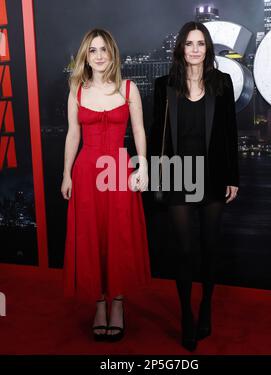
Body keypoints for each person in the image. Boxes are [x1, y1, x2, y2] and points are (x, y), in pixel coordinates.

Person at [150, 21, 239, 351]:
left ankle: (206, 306)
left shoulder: (222, 83)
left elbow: (230, 133)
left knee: (209, 249)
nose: (195, 49)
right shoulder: (165, 86)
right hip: (176, 176)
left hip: (214, 176)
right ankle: (186, 314)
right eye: (189, 43)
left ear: (208, 48)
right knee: (184, 251)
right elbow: (157, 132)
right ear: (181, 49)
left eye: (201, 43)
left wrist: (234, 178)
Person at [61, 28, 151, 342]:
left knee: (119, 238)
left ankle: (119, 304)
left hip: (119, 173)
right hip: (86, 173)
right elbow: (73, 134)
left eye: (104, 50)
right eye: (93, 50)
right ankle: (100, 303)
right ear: (86, 56)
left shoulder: (128, 89)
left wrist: (144, 167)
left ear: (112, 54)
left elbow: (139, 130)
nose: (99, 56)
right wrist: (66, 174)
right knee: (92, 238)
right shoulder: (77, 90)